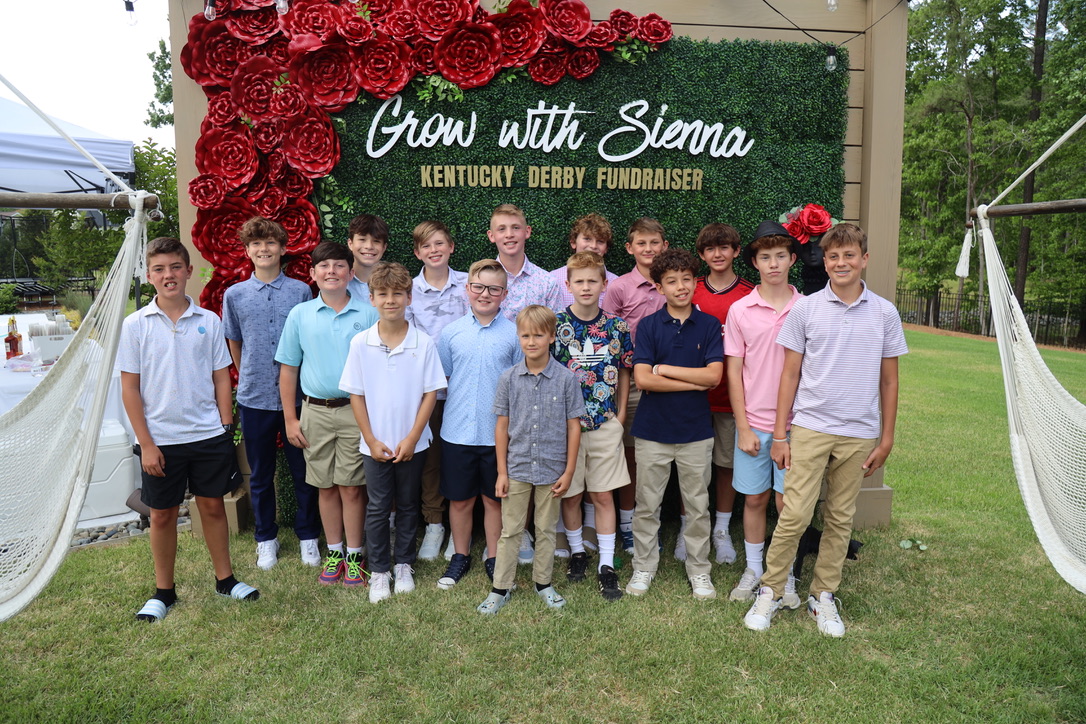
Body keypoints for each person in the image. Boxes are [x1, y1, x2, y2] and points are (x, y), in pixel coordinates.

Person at [743, 222, 908, 637]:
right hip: (810, 427)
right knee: (795, 513)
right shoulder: (806, 309)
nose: (841, 263)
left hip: (859, 432)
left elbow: (890, 381)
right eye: (833, 256)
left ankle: (823, 595)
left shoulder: (884, 312)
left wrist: (886, 438)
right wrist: (780, 435)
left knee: (839, 516)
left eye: (849, 255)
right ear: (825, 262)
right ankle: (771, 589)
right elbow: (789, 375)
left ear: (864, 259)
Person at [119, 236, 259, 622]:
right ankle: (164, 592)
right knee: (163, 515)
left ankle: (225, 580)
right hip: (160, 440)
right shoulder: (136, 325)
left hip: (208, 435)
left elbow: (220, 377)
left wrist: (226, 427)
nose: (169, 275)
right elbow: (129, 388)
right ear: (149, 276)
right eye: (159, 269)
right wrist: (146, 443)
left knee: (212, 507)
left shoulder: (208, 321)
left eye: (176, 267)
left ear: (188, 271)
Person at [340, 262, 447, 603]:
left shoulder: (423, 343)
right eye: (383, 294)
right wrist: (371, 439)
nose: (390, 300)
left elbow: (430, 393)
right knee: (377, 507)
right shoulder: (361, 343)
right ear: (371, 298)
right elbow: (356, 394)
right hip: (374, 444)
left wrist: (413, 437)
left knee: (408, 504)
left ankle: (403, 564)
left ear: (409, 297)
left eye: (398, 293)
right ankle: (379, 571)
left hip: (413, 443)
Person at [275, 242, 378, 588]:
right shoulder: (300, 315)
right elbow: (289, 369)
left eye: (339, 265)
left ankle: (355, 555)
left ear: (351, 272)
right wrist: (291, 419)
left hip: (355, 412)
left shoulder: (369, 313)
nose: (331, 271)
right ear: (312, 273)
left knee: (352, 487)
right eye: (324, 266)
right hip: (315, 412)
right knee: (326, 486)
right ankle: (334, 553)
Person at [624, 248, 723, 601]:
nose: (681, 286)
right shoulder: (649, 326)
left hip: (696, 431)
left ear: (695, 282)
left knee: (697, 506)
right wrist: (694, 382)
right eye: (671, 281)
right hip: (653, 431)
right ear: (659, 287)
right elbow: (643, 380)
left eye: (686, 279)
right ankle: (643, 566)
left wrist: (665, 370)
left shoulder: (708, 325)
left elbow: (714, 376)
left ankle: (699, 570)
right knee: (647, 505)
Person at [221, 217, 318, 571]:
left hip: (298, 398)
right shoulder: (235, 295)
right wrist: (250, 372)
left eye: (270, 243)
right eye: (256, 244)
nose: (264, 249)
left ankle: (308, 535)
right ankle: (266, 538)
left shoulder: (300, 292)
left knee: (303, 470)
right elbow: (234, 340)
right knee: (261, 474)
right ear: (247, 251)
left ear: (282, 248)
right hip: (255, 399)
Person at [477, 306, 584, 615]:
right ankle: (500, 588)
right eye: (525, 335)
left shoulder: (566, 379)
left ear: (551, 337)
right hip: (517, 467)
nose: (531, 341)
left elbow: (574, 426)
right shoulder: (509, 379)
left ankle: (543, 584)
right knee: (510, 530)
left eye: (538, 335)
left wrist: (569, 471)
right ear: (518, 337)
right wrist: (502, 472)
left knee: (546, 529)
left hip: (552, 468)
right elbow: (501, 427)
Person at [723, 222, 803, 604]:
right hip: (754, 422)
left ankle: (784, 573)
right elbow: (734, 372)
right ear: (754, 262)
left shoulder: (807, 308)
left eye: (780, 256)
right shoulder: (740, 310)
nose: (773, 264)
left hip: (797, 424)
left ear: (792, 260)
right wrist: (742, 426)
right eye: (766, 257)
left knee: (787, 503)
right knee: (754, 499)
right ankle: (754, 568)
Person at [435, 259, 523, 589]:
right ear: (467, 289)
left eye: (494, 289)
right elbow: (443, 379)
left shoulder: (514, 334)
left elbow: (520, 384)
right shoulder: (451, 333)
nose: (485, 294)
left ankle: (494, 557)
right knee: (459, 499)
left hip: (496, 435)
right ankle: (460, 555)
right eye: (479, 287)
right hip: (457, 431)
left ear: (504, 294)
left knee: (493, 499)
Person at [551, 251, 633, 601]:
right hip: (565, 426)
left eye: (592, 281)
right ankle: (577, 552)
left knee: (602, 494)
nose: (586, 287)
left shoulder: (617, 327)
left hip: (604, 423)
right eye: (579, 281)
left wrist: (621, 414)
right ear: (568, 285)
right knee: (570, 494)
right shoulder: (555, 325)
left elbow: (625, 370)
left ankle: (606, 562)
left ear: (604, 284)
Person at [404, 220, 470, 561]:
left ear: (451, 247)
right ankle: (434, 524)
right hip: (426, 393)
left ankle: (463, 528)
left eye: (440, 243)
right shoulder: (409, 291)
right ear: (418, 253)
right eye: (426, 246)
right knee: (430, 461)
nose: (434, 250)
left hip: (465, 390)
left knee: (460, 458)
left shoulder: (468, 285)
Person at [600, 218, 668, 553]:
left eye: (654, 242)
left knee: (658, 456)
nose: (648, 249)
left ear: (664, 246)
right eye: (641, 243)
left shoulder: (673, 283)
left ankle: (651, 520)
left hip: (668, 380)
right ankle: (628, 523)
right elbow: (607, 336)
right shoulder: (619, 288)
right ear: (630, 248)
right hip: (629, 382)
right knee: (630, 454)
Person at [690, 223, 755, 565]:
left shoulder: (749, 294)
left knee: (726, 464)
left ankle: (721, 529)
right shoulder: (691, 289)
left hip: (733, 399)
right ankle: (690, 526)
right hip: (694, 396)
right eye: (710, 249)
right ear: (701, 255)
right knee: (692, 467)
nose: (718, 254)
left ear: (736, 251)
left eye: (724, 247)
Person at [488, 203, 563, 323]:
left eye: (516, 227)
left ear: (527, 231)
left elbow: (555, 327)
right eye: (502, 229)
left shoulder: (547, 282)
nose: (509, 234)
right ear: (491, 236)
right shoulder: (482, 282)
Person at [549, 213, 619, 309]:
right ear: (573, 242)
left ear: (606, 248)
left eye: (600, 241)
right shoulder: (553, 279)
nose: (593, 246)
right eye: (587, 239)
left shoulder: (616, 283)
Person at [346, 214, 388, 301]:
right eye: (362, 239)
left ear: (384, 247)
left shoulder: (395, 281)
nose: (369, 246)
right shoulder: (340, 280)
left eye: (376, 241)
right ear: (350, 244)